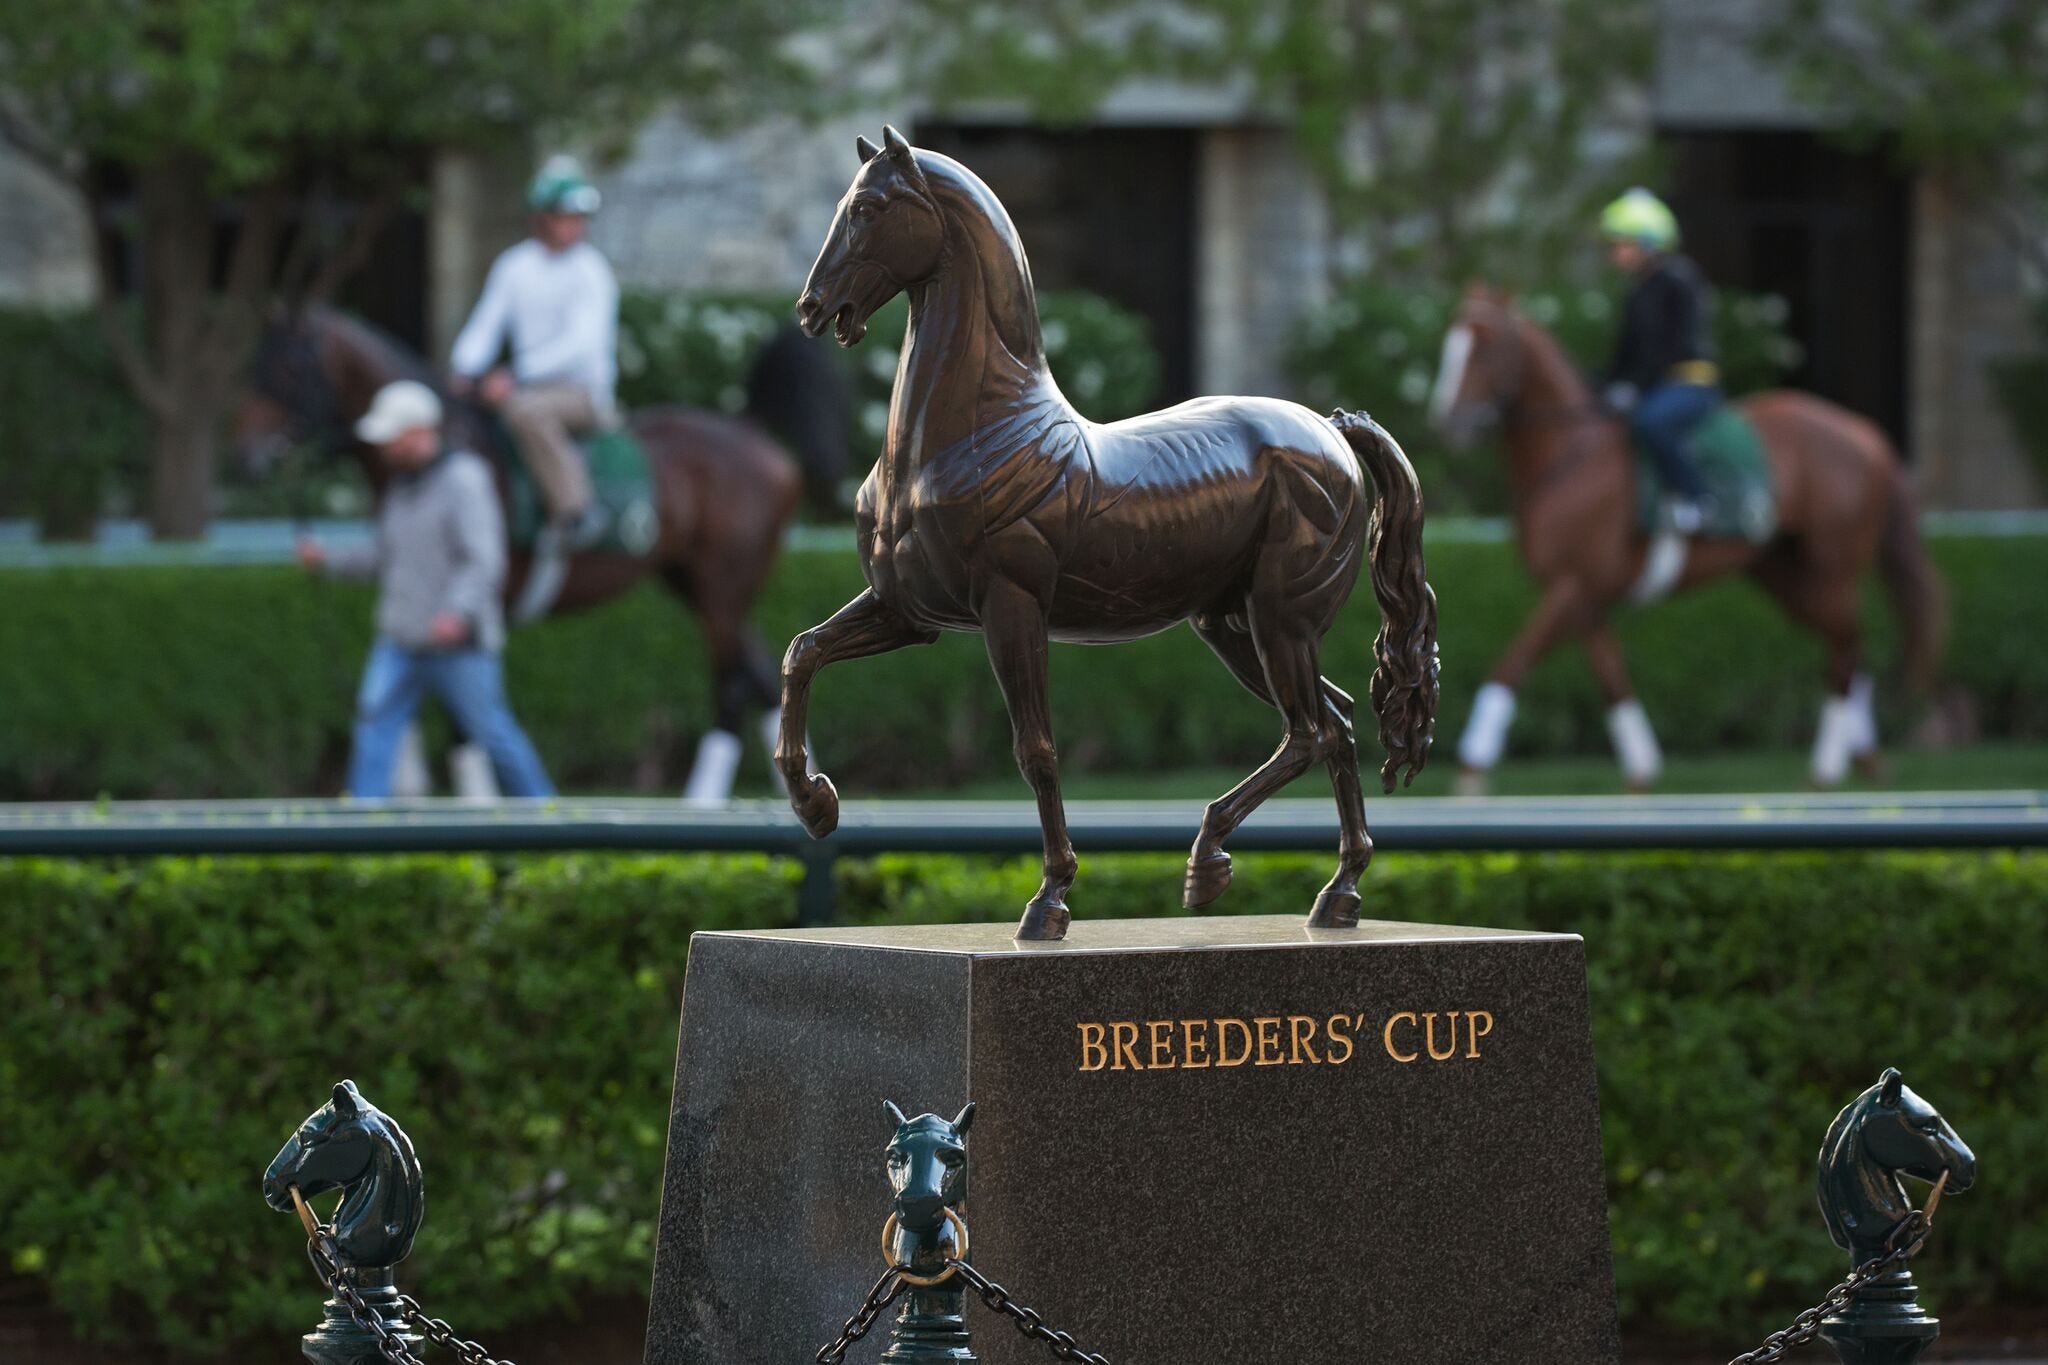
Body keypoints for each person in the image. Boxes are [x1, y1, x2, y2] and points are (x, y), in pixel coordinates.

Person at [297, 380, 555, 801]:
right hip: (400, 639)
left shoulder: (465, 480)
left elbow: (484, 559)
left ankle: (551, 820)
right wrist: (326, 558)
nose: (382, 448)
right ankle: (363, 831)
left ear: (418, 432)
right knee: (374, 725)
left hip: (458, 644)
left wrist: (456, 612)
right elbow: (384, 556)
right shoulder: (400, 488)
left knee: (492, 734)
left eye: (390, 437)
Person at [449, 154, 619, 561]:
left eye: (580, 218)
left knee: (526, 412)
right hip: (525, 385)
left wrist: (515, 375)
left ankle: (577, 511)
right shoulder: (514, 265)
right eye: (566, 216)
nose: (576, 226)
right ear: (541, 217)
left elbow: (581, 345)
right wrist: (464, 368)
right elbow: (485, 325)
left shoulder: (591, 271)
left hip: (582, 392)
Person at [1597, 187, 1719, 535]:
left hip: (1691, 383)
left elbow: (1670, 346)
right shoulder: (1639, 289)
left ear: (1647, 243)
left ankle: (1696, 499)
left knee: (1653, 422)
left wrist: (1634, 387)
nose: (1615, 253)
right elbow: (1627, 352)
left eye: (1622, 244)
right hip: (1655, 384)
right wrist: (1604, 385)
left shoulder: (1678, 281)